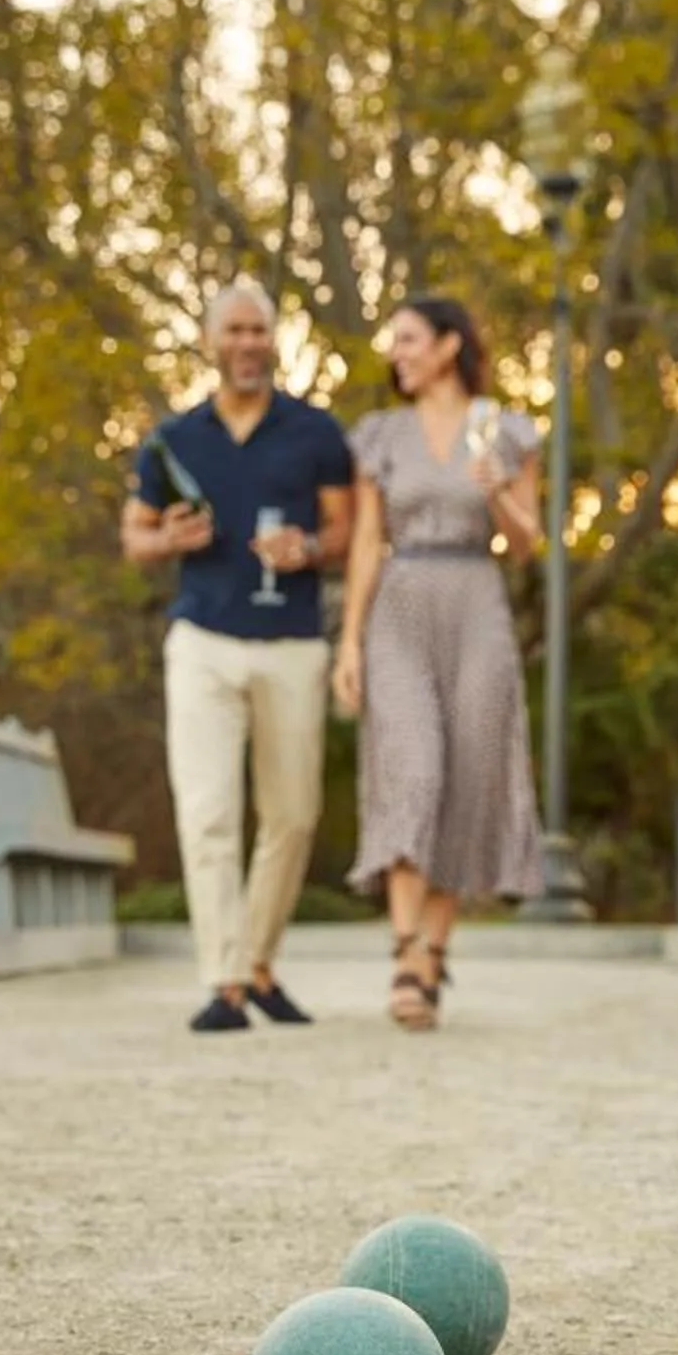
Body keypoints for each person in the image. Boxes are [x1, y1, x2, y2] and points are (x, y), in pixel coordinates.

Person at [121, 277, 357, 1033]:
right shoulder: (173, 440)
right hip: (203, 643)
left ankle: (259, 964)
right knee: (208, 813)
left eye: (260, 331)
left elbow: (348, 531)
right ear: (212, 342)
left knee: (292, 814)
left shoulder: (316, 432)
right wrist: (170, 541)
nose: (249, 344)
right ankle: (224, 983)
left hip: (290, 642)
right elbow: (135, 537)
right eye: (236, 332)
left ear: (274, 340)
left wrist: (309, 549)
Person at [331, 296, 546, 1031]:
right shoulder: (381, 436)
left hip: (476, 600)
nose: (398, 353)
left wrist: (497, 496)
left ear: (450, 345)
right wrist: (350, 641)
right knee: (414, 766)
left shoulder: (506, 430)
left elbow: (528, 544)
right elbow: (365, 541)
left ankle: (432, 952)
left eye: (410, 340)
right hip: (399, 603)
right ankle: (404, 948)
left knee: (469, 774)